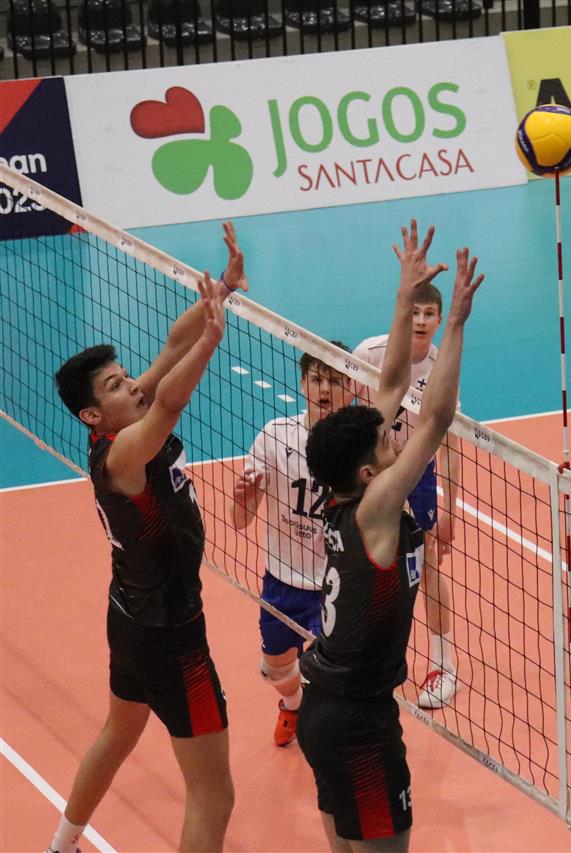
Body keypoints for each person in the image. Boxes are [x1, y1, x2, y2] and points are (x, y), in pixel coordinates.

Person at [47, 223, 246, 853]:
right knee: (214, 795)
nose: (132, 385)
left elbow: (171, 346)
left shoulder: (122, 416)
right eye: (115, 386)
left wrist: (223, 291)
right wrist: (211, 341)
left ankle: (60, 846)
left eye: (125, 376)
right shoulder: (124, 454)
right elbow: (169, 404)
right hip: (171, 635)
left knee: (119, 731)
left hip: (129, 614)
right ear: (92, 416)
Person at [298, 222, 482, 852]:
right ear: (370, 475)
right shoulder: (375, 511)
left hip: (323, 705)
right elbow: (435, 417)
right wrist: (456, 323)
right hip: (359, 723)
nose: (391, 437)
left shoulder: (341, 494)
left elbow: (394, 386)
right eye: (384, 443)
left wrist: (406, 296)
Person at [228, 341, 357, 747]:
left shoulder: (362, 446)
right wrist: (243, 498)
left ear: (351, 387)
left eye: (335, 380)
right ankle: (293, 703)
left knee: (335, 672)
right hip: (283, 579)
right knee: (275, 669)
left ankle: (327, 725)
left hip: (337, 582)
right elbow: (239, 520)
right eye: (317, 379)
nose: (325, 388)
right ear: (303, 384)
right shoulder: (275, 436)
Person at [353, 260, 462, 710]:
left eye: (428, 314)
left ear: (439, 320)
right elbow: (343, 411)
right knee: (361, 562)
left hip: (417, 475)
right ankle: (358, 654)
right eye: (414, 312)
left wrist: (451, 508)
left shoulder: (441, 368)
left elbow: (451, 445)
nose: (419, 321)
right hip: (371, 471)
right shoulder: (370, 352)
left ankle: (444, 664)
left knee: (429, 564)